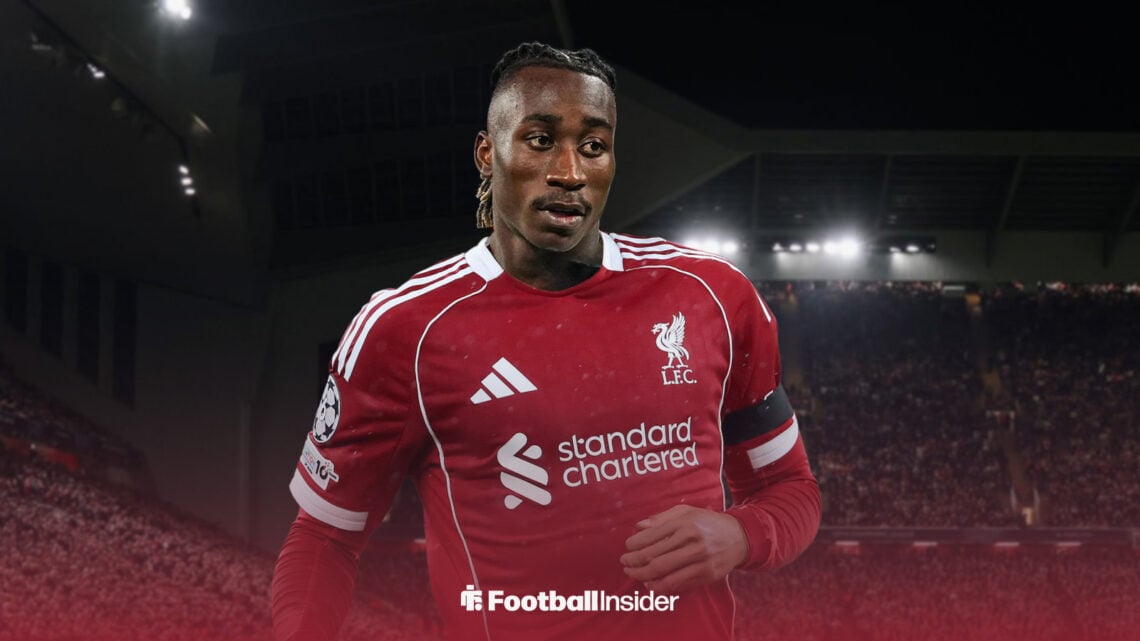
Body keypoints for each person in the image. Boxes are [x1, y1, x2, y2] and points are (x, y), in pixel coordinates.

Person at [271, 41, 821, 641]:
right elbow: (325, 538)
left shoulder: (713, 296)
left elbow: (789, 490)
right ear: (487, 153)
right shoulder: (404, 330)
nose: (570, 171)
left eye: (593, 146)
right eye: (540, 140)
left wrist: (743, 535)